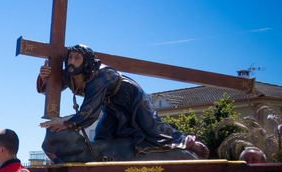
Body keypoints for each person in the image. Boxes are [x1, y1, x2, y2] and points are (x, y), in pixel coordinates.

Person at [37, 44, 209, 164]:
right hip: (111, 105)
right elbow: (50, 90)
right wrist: (45, 78)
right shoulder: (71, 74)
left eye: (77, 57)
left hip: (132, 97)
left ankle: (187, 142)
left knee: (153, 129)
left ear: (87, 61)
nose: (72, 61)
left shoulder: (100, 76)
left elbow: (90, 111)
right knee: (103, 137)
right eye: (70, 57)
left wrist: (66, 122)